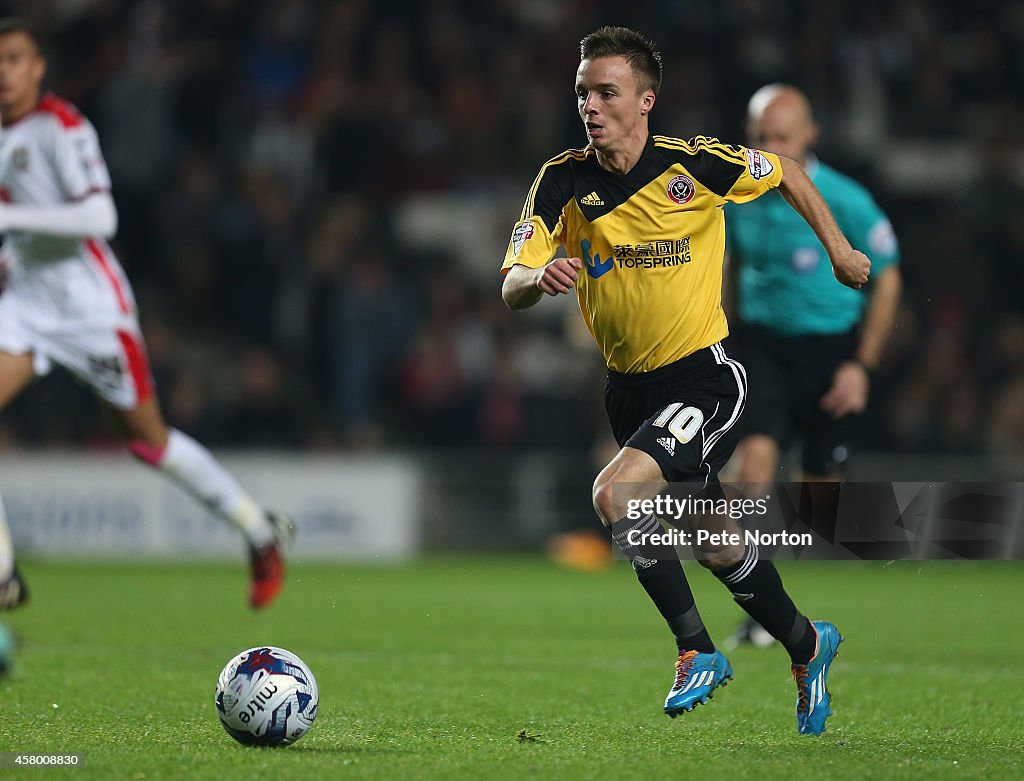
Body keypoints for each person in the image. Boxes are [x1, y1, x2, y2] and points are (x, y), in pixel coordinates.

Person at [501, 26, 869, 734]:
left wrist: (840, 250)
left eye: (606, 92)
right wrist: (535, 277)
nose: (591, 106)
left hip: (704, 377)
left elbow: (790, 171)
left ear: (646, 100)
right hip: (629, 389)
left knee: (615, 492)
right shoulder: (562, 180)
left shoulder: (694, 164)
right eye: (583, 92)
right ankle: (807, 642)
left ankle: (696, 648)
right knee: (716, 542)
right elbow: (512, 278)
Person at [0, 18, 293, 611]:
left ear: (37, 68)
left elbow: (98, 219)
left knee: (148, 441)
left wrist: (10, 225)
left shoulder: (62, 127)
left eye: (13, 59)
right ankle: (4, 576)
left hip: (89, 310)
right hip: (25, 305)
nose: (3, 72)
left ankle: (259, 531)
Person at [724, 84, 901, 649]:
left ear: (810, 135)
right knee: (753, 468)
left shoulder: (845, 200)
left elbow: (890, 277)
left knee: (815, 506)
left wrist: (861, 367)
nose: (770, 148)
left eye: (781, 137)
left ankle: (770, 590)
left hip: (831, 355)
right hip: (762, 350)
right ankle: (760, 610)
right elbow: (726, 266)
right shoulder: (737, 197)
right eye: (761, 137)